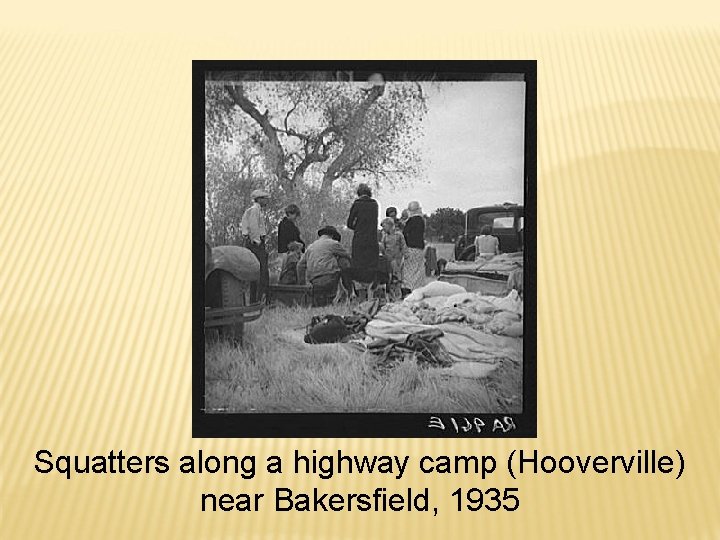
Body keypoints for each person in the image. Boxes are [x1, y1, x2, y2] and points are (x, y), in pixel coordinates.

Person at [297, 226, 352, 306]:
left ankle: (333, 295)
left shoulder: (310, 247)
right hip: (330, 279)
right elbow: (348, 257)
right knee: (343, 259)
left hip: (314, 281)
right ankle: (348, 291)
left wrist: (302, 285)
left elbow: (299, 266)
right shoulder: (333, 243)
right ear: (333, 236)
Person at [241, 189, 271, 302]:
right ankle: (260, 300)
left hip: (255, 243)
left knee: (257, 272)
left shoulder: (255, 211)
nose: (266, 201)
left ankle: (255, 299)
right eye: (265, 198)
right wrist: (257, 242)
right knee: (262, 272)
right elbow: (253, 227)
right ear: (259, 199)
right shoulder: (254, 210)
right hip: (256, 244)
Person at [346, 183, 379, 283]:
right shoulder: (374, 204)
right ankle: (370, 288)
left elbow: (349, 223)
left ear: (359, 193)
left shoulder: (357, 203)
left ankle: (359, 288)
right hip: (372, 238)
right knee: (371, 264)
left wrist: (357, 228)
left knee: (358, 263)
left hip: (359, 238)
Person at [402, 200, 426, 292]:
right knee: (418, 269)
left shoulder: (411, 220)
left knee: (409, 270)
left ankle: (409, 288)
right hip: (419, 247)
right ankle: (418, 288)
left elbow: (405, 233)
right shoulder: (421, 220)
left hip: (411, 247)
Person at [379, 217, 406, 281]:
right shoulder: (385, 236)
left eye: (384, 227)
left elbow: (403, 246)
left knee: (397, 277)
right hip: (388, 260)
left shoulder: (399, 235)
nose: (383, 229)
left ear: (389, 225)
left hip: (397, 260)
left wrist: (402, 256)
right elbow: (383, 247)